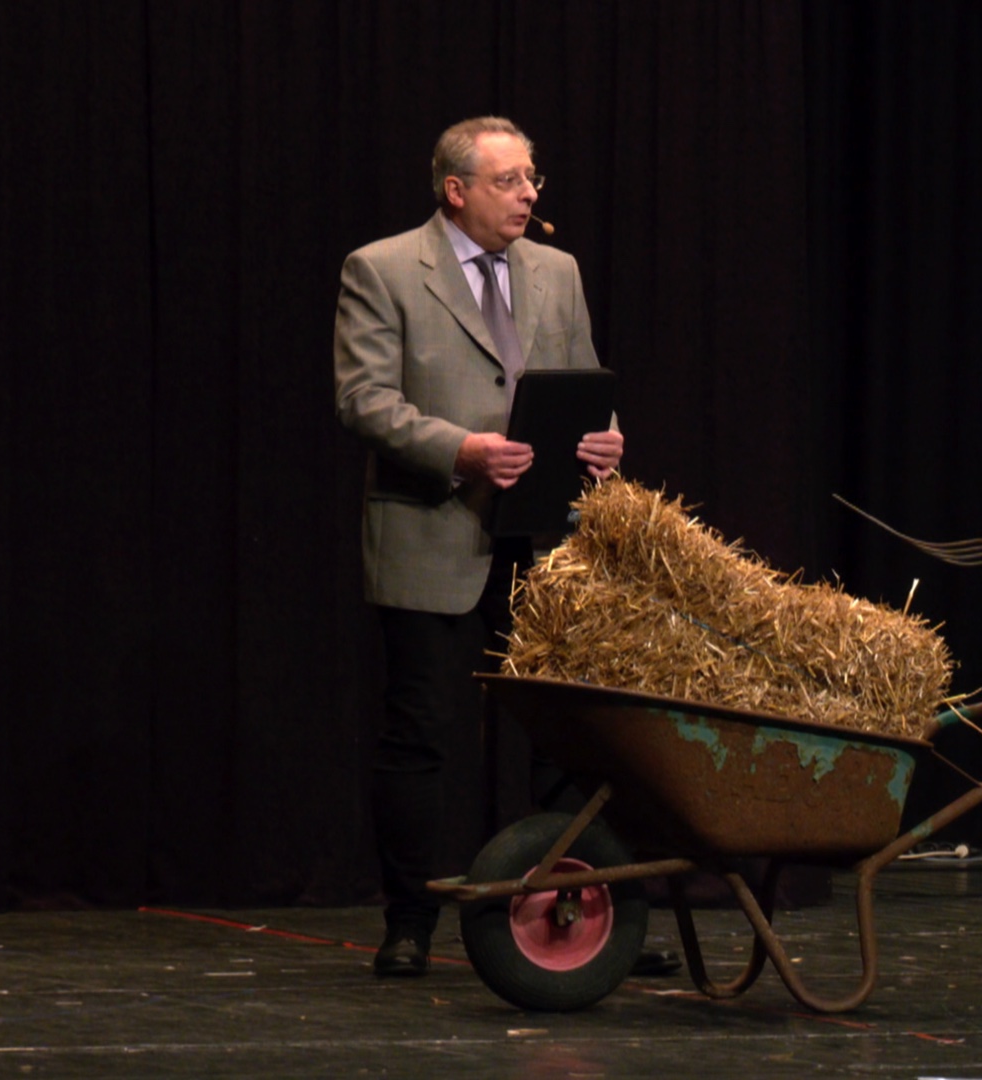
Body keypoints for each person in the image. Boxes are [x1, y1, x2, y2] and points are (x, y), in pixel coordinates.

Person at [334, 116, 623, 977]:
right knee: (421, 735)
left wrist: (606, 435)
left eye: (533, 179)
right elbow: (364, 399)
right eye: (509, 181)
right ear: (455, 191)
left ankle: (572, 911)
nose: (528, 194)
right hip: (435, 531)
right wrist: (460, 449)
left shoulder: (556, 271)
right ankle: (409, 922)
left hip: (540, 540)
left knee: (565, 736)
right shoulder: (383, 268)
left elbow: (583, 382)